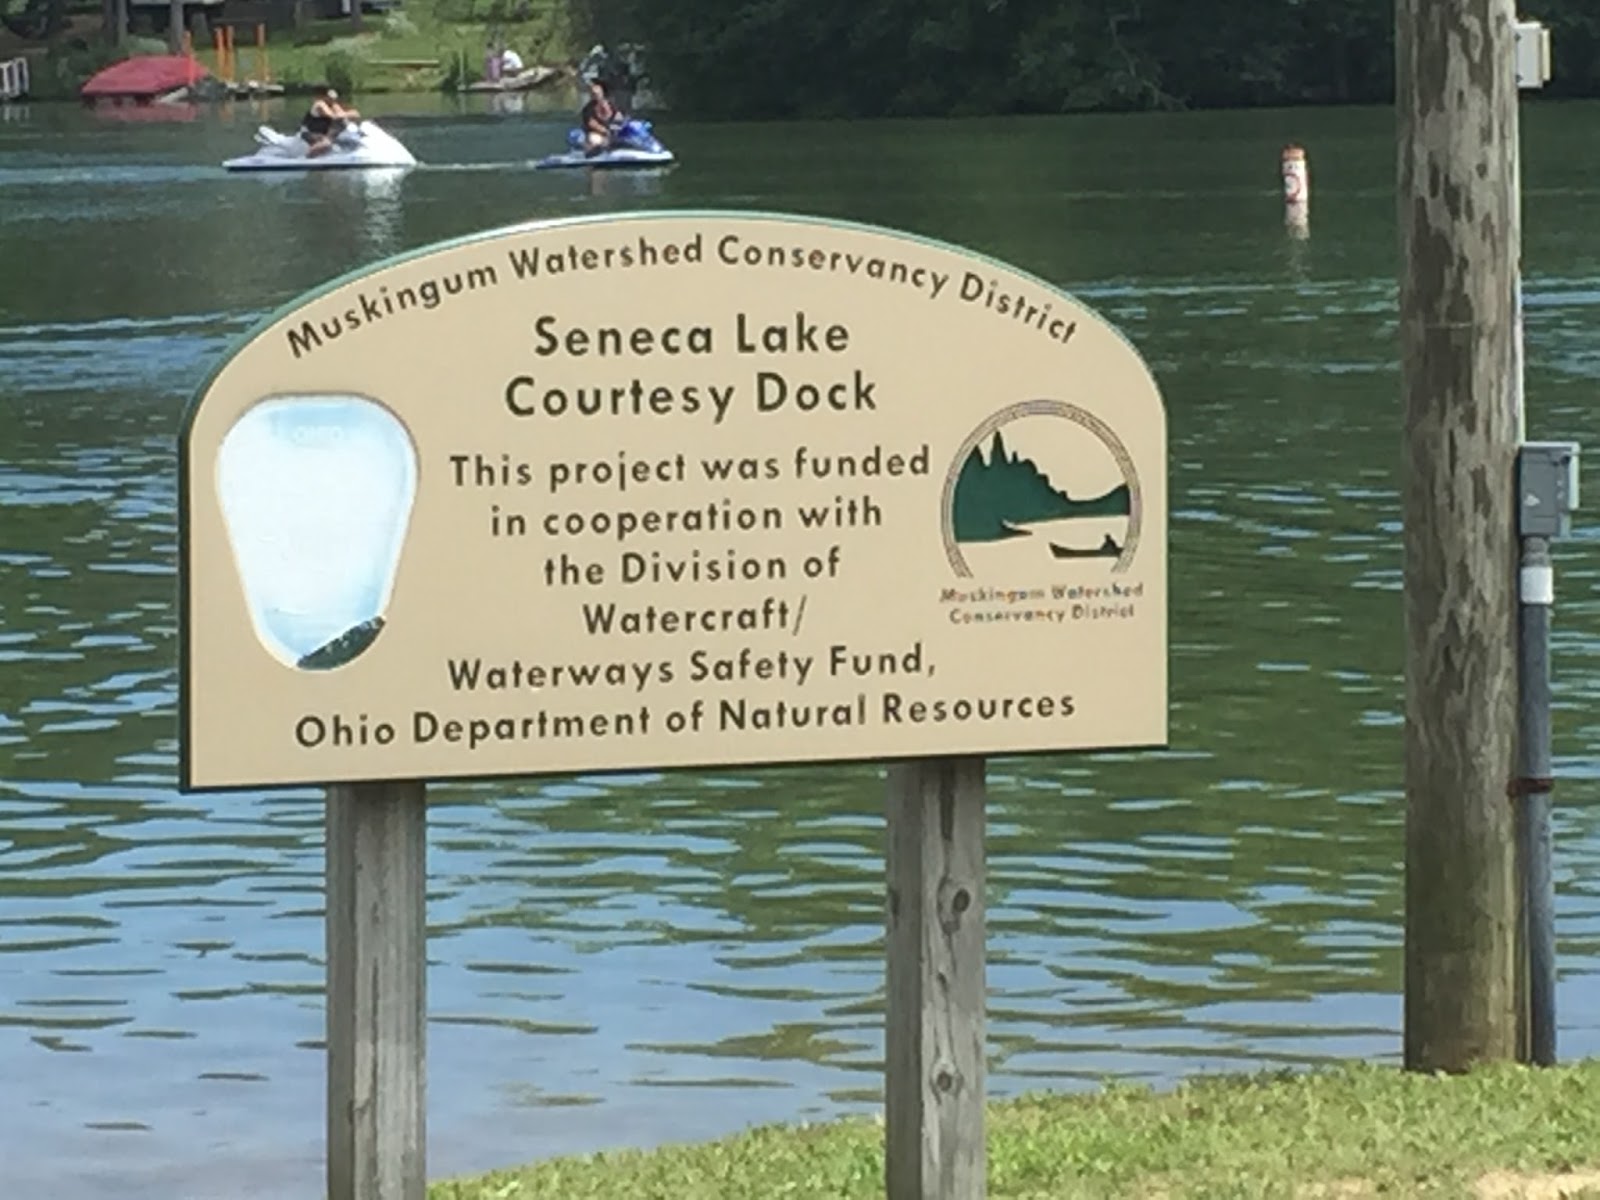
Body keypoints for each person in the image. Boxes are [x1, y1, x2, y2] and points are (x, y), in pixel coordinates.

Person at [300, 86, 361, 158]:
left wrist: (344, 114)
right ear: (325, 96)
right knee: (326, 144)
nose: (332, 100)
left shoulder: (334, 105)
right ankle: (307, 158)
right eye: (330, 97)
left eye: (334, 98)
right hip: (310, 133)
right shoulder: (320, 104)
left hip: (324, 133)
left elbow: (356, 114)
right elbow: (333, 116)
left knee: (346, 139)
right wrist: (343, 114)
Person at [578, 77, 618, 155]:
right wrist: (607, 132)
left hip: (614, 136)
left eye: (596, 89)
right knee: (593, 138)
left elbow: (620, 118)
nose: (594, 93)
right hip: (597, 136)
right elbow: (592, 124)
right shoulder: (588, 109)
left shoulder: (612, 105)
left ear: (602, 91)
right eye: (593, 93)